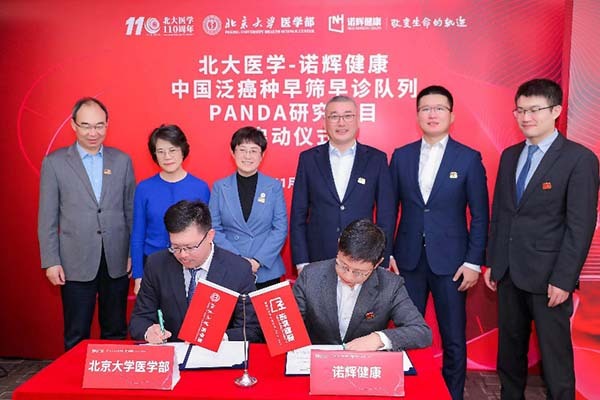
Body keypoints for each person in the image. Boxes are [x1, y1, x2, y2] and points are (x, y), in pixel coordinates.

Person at [484, 78, 599, 400]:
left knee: (554, 358)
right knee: (510, 352)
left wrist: (564, 279)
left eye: (535, 110)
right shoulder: (510, 155)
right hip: (509, 273)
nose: (526, 117)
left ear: (556, 111)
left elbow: (580, 226)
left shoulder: (579, 159)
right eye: (520, 110)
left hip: (550, 277)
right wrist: (493, 262)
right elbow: (501, 213)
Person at [389, 85, 489, 399]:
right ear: (417, 115)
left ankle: (451, 394)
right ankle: (407, 392)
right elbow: (390, 209)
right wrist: (387, 252)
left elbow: (481, 215)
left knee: (453, 337)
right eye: (425, 109)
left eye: (439, 108)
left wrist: (473, 262)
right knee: (406, 334)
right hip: (407, 260)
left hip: (453, 263)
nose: (432, 114)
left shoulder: (469, 158)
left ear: (451, 115)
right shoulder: (402, 156)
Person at [38, 97, 135, 350]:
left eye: (99, 125)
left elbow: (130, 211)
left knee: (115, 330)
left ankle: (113, 375)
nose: (93, 133)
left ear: (107, 125)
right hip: (74, 261)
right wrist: (51, 261)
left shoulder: (122, 161)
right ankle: (74, 376)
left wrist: (131, 253)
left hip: (116, 259)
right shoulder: (55, 163)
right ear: (73, 125)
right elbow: (47, 217)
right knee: (77, 332)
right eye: (86, 126)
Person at [129, 200, 261, 344]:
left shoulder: (238, 269)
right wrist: (148, 332)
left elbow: (251, 329)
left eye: (190, 247)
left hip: (217, 353)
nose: (183, 255)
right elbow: (139, 319)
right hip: (172, 352)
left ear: (210, 236)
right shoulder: (157, 264)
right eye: (176, 247)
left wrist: (219, 338)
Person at [290, 95, 395, 274]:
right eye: (334, 116)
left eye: (347, 116)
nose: (341, 122)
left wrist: (381, 259)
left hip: (363, 259)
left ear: (357, 121)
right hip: (318, 259)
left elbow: (386, 215)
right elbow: (298, 215)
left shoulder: (376, 159)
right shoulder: (308, 159)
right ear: (324, 123)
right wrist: (301, 262)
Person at [293, 219, 432, 351]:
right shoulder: (310, 275)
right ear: (339, 245)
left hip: (364, 363)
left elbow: (421, 332)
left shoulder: (391, 285)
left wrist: (379, 339)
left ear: (377, 263)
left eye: (359, 273)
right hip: (318, 360)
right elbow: (291, 324)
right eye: (343, 266)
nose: (348, 277)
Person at [130, 124, 210, 294]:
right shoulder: (144, 188)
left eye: (172, 150)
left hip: (191, 265)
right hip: (153, 264)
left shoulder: (200, 188)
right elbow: (138, 235)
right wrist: (138, 276)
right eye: (161, 151)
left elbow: (207, 234)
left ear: (183, 151)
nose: (167, 156)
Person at [209, 126, 287, 289]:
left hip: (266, 269)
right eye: (242, 150)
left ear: (262, 155)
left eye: (253, 151)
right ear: (233, 153)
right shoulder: (220, 187)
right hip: (230, 267)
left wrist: (257, 261)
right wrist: (238, 260)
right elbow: (214, 228)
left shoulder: (273, 186)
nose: (247, 156)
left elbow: (280, 229)